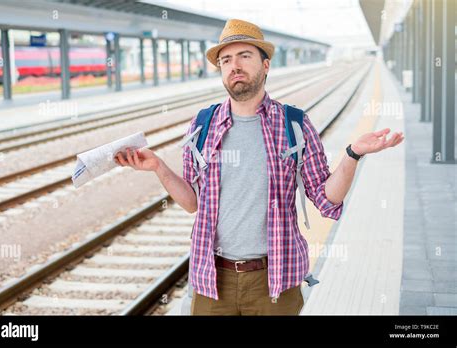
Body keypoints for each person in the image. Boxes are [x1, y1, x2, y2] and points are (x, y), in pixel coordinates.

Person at [114, 19, 404, 315]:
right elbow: (192, 203)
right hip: (212, 280)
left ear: (265, 65)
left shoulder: (294, 123)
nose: (234, 66)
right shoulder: (203, 125)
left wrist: (353, 154)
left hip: (275, 280)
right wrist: (159, 167)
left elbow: (326, 197)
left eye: (244, 56)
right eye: (226, 60)